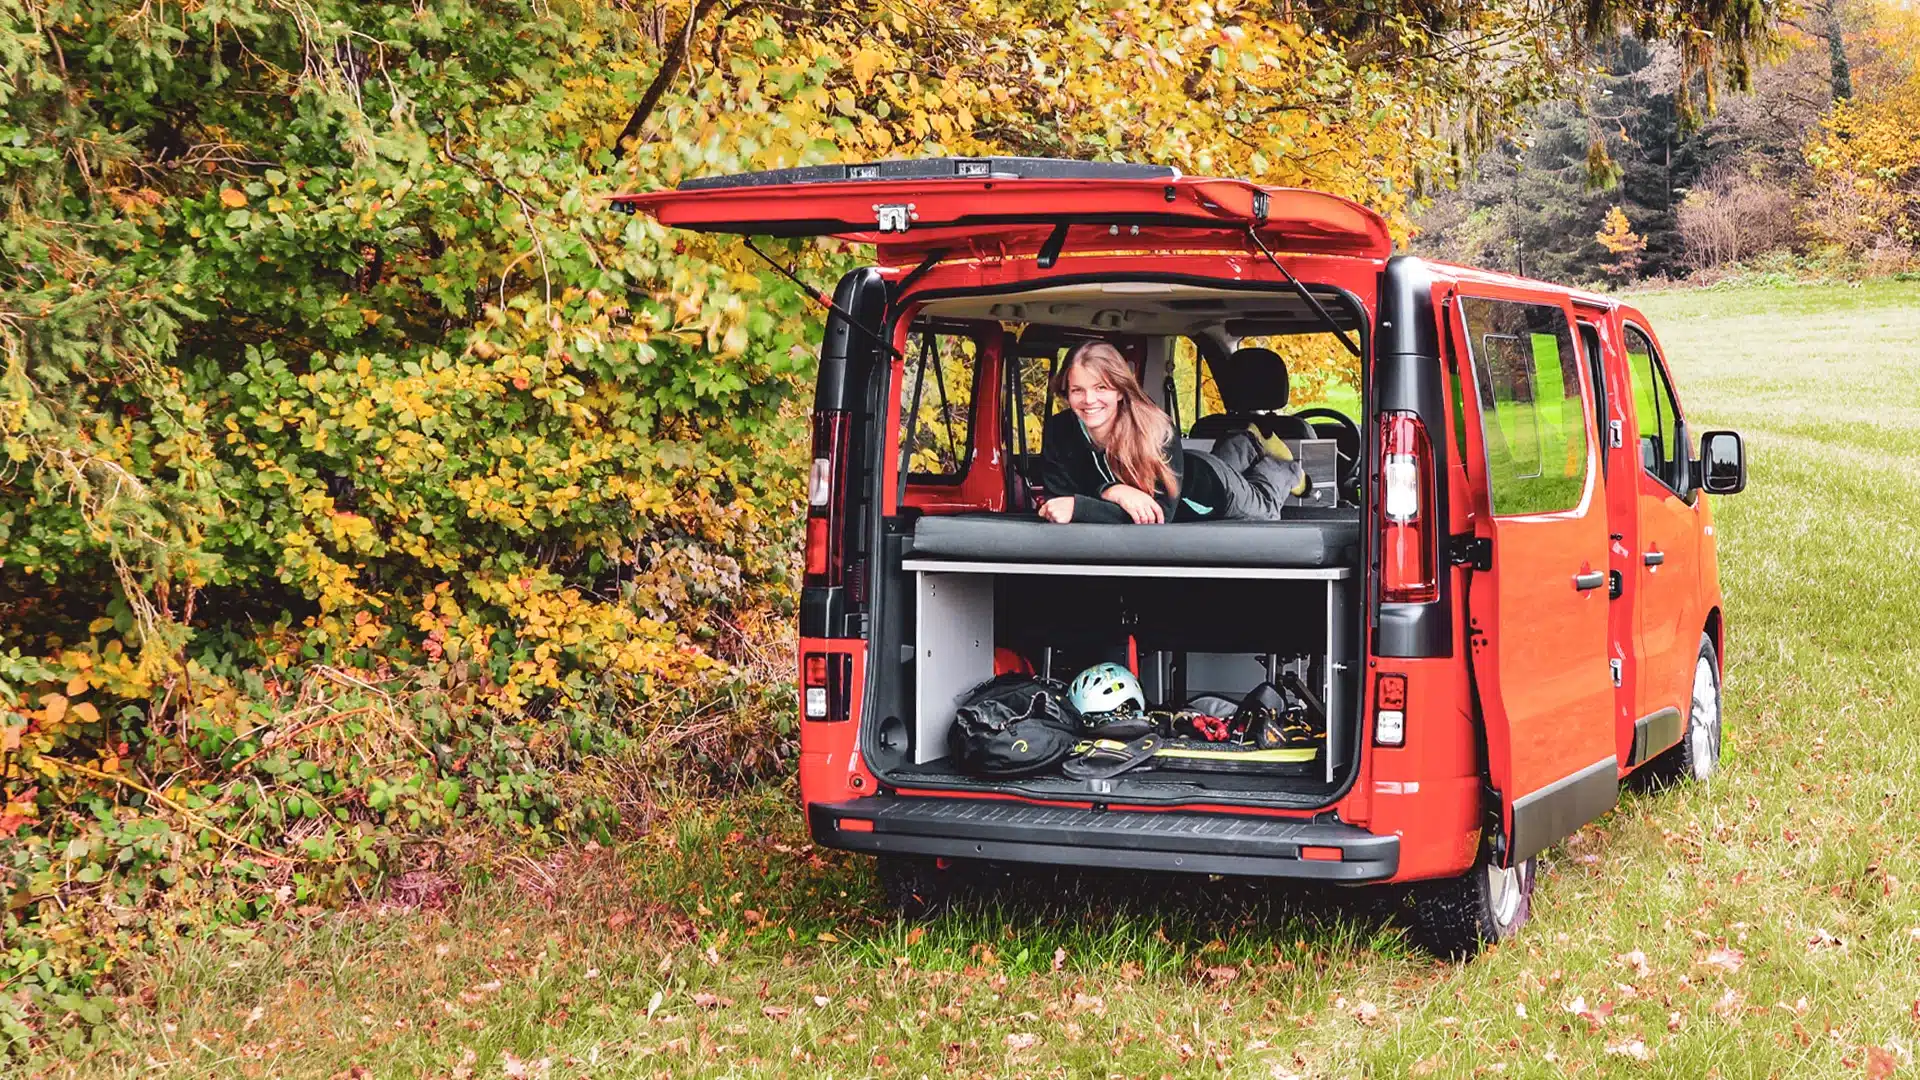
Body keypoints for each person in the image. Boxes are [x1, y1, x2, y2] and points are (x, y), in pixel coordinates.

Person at [1037, 341, 1308, 525]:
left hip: (1210, 489)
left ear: (1120, 390)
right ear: (1065, 392)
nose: (1089, 400)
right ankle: (1245, 442)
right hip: (1183, 469)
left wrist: (1089, 503)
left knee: (1266, 507)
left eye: (1101, 388)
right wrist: (1112, 491)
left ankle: (1284, 468)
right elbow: (1058, 499)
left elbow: (1159, 514)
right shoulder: (1060, 431)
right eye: (1077, 390)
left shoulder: (1155, 428)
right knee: (1227, 462)